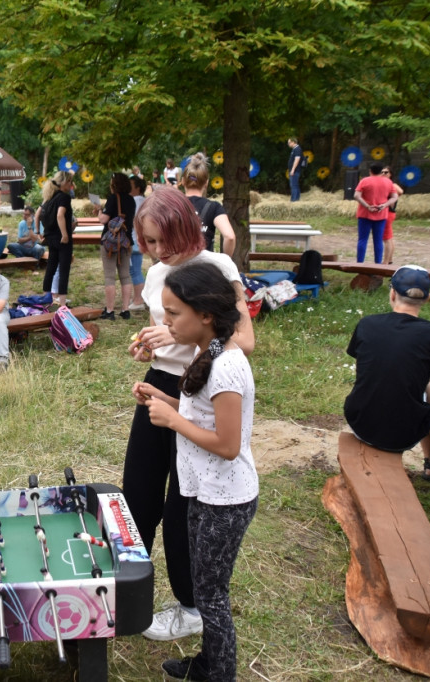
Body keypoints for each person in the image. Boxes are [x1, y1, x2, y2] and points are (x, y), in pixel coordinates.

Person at [124, 187, 255, 643]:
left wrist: (174, 339)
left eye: (164, 239)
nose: (159, 251)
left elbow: (244, 341)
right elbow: (171, 332)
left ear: (185, 224)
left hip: (199, 390)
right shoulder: (157, 273)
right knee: (137, 494)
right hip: (162, 383)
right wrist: (150, 341)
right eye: (149, 241)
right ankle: (128, 591)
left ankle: (190, 605)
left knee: (182, 506)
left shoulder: (217, 266)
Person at [137, 261, 259, 682]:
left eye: (173, 313)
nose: (165, 321)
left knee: (211, 596)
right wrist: (162, 398)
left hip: (226, 499)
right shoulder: (203, 351)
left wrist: (173, 422)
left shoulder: (227, 365)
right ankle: (207, 662)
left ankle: (218, 672)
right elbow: (197, 414)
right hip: (203, 491)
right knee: (206, 589)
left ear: (205, 314)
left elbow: (227, 445)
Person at [344, 265, 430, 480]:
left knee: (412, 384)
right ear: (428, 298)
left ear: (392, 293)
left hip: (360, 422)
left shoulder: (367, 324)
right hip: (403, 435)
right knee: (426, 388)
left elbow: (370, 373)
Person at [98, 172, 136, 320]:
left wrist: (99, 211)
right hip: (126, 241)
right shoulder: (131, 200)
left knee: (109, 277)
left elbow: (104, 220)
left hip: (110, 242)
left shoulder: (113, 198)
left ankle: (110, 310)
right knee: (125, 276)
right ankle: (125, 310)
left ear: (114, 185)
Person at [182, 153, 236, 257]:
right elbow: (230, 237)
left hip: (177, 268)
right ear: (206, 183)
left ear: (183, 181)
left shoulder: (172, 205)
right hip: (205, 269)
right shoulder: (214, 207)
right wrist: (225, 261)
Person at [38, 171, 75, 307]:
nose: (71, 185)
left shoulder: (49, 197)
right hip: (62, 239)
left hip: (50, 237)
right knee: (64, 269)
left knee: (51, 268)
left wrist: (40, 232)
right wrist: (65, 234)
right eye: (70, 182)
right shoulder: (64, 197)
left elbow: (39, 214)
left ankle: (46, 299)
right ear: (64, 182)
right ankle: (63, 304)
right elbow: (60, 215)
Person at [353, 163, 398, 264]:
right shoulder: (388, 182)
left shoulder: (365, 181)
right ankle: (377, 264)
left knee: (362, 239)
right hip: (381, 214)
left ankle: (360, 263)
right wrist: (385, 205)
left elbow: (356, 195)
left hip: (365, 214)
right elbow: (395, 197)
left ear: (370, 171)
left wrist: (367, 205)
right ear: (381, 171)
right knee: (378, 240)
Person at [125, 176, 147, 311]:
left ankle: (139, 300)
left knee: (134, 271)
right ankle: (138, 298)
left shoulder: (136, 200)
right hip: (137, 240)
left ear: (138, 188)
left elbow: (133, 220)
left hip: (134, 240)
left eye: (131, 185)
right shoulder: (142, 200)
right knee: (134, 270)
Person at [381, 166, 404, 264]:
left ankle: (385, 262)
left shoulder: (392, 185)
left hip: (388, 213)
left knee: (386, 238)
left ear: (390, 174)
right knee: (389, 238)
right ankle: (389, 259)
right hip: (389, 213)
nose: (383, 174)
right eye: (381, 172)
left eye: (386, 172)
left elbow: (400, 191)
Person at [287, 138, 303, 202]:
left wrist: (293, 170)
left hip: (295, 170)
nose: (288, 144)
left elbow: (297, 160)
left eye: (289, 142)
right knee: (295, 184)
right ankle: (296, 199)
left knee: (293, 185)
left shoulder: (297, 149)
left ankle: (294, 200)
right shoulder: (294, 149)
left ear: (293, 142)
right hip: (294, 170)